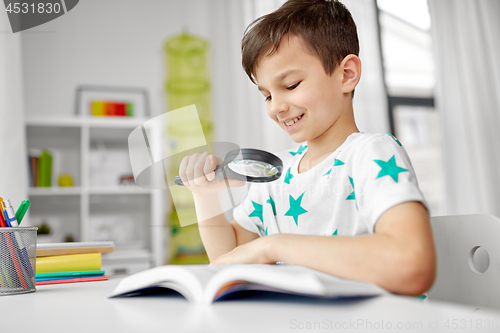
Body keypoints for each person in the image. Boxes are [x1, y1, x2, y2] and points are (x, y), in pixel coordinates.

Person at [178, 0, 436, 296]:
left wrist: (273, 246)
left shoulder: (371, 153)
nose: (276, 107)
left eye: (290, 85)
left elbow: (411, 264)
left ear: (346, 74)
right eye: (266, 95)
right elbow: (229, 260)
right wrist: (205, 196)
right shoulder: (276, 173)